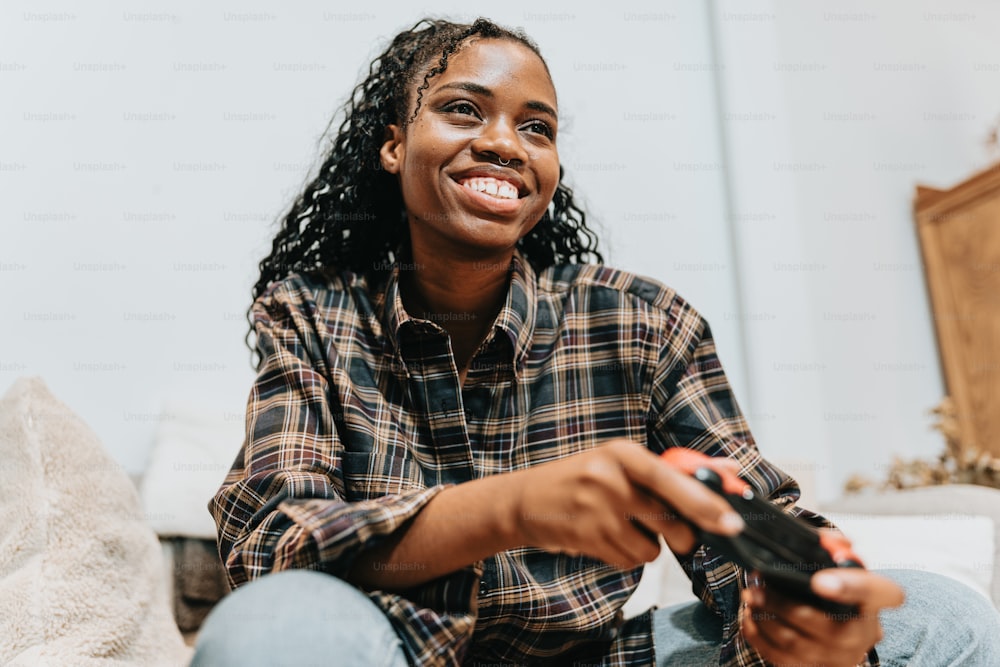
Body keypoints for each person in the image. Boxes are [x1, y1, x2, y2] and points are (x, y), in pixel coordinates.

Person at [193, 17, 1000, 667]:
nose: (506, 143)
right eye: (464, 109)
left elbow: (750, 533)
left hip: (595, 658)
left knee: (943, 618)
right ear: (395, 143)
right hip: (386, 650)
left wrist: (799, 620)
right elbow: (274, 543)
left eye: (535, 127)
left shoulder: (642, 322)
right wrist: (510, 508)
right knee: (273, 627)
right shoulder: (311, 315)